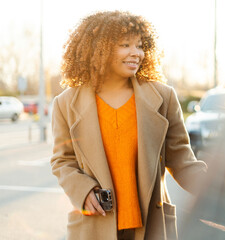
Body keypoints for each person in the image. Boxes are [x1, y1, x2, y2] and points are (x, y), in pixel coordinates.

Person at [50, 10, 207, 240]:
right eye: (125, 44)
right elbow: (62, 160)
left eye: (140, 45)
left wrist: (218, 189)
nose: (137, 53)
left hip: (150, 227)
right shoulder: (65, 104)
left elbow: (182, 160)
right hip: (94, 226)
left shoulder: (163, 97)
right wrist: (83, 191)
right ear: (99, 48)